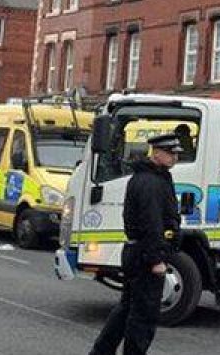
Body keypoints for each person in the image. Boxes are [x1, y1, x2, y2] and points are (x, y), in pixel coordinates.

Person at [90, 132, 183, 355]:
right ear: (157, 153)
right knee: (144, 315)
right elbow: (151, 223)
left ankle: (101, 351)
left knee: (127, 308)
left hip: (136, 252)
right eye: (171, 153)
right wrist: (156, 259)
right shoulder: (150, 182)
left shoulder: (150, 177)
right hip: (145, 254)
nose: (175, 158)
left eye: (176, 154)